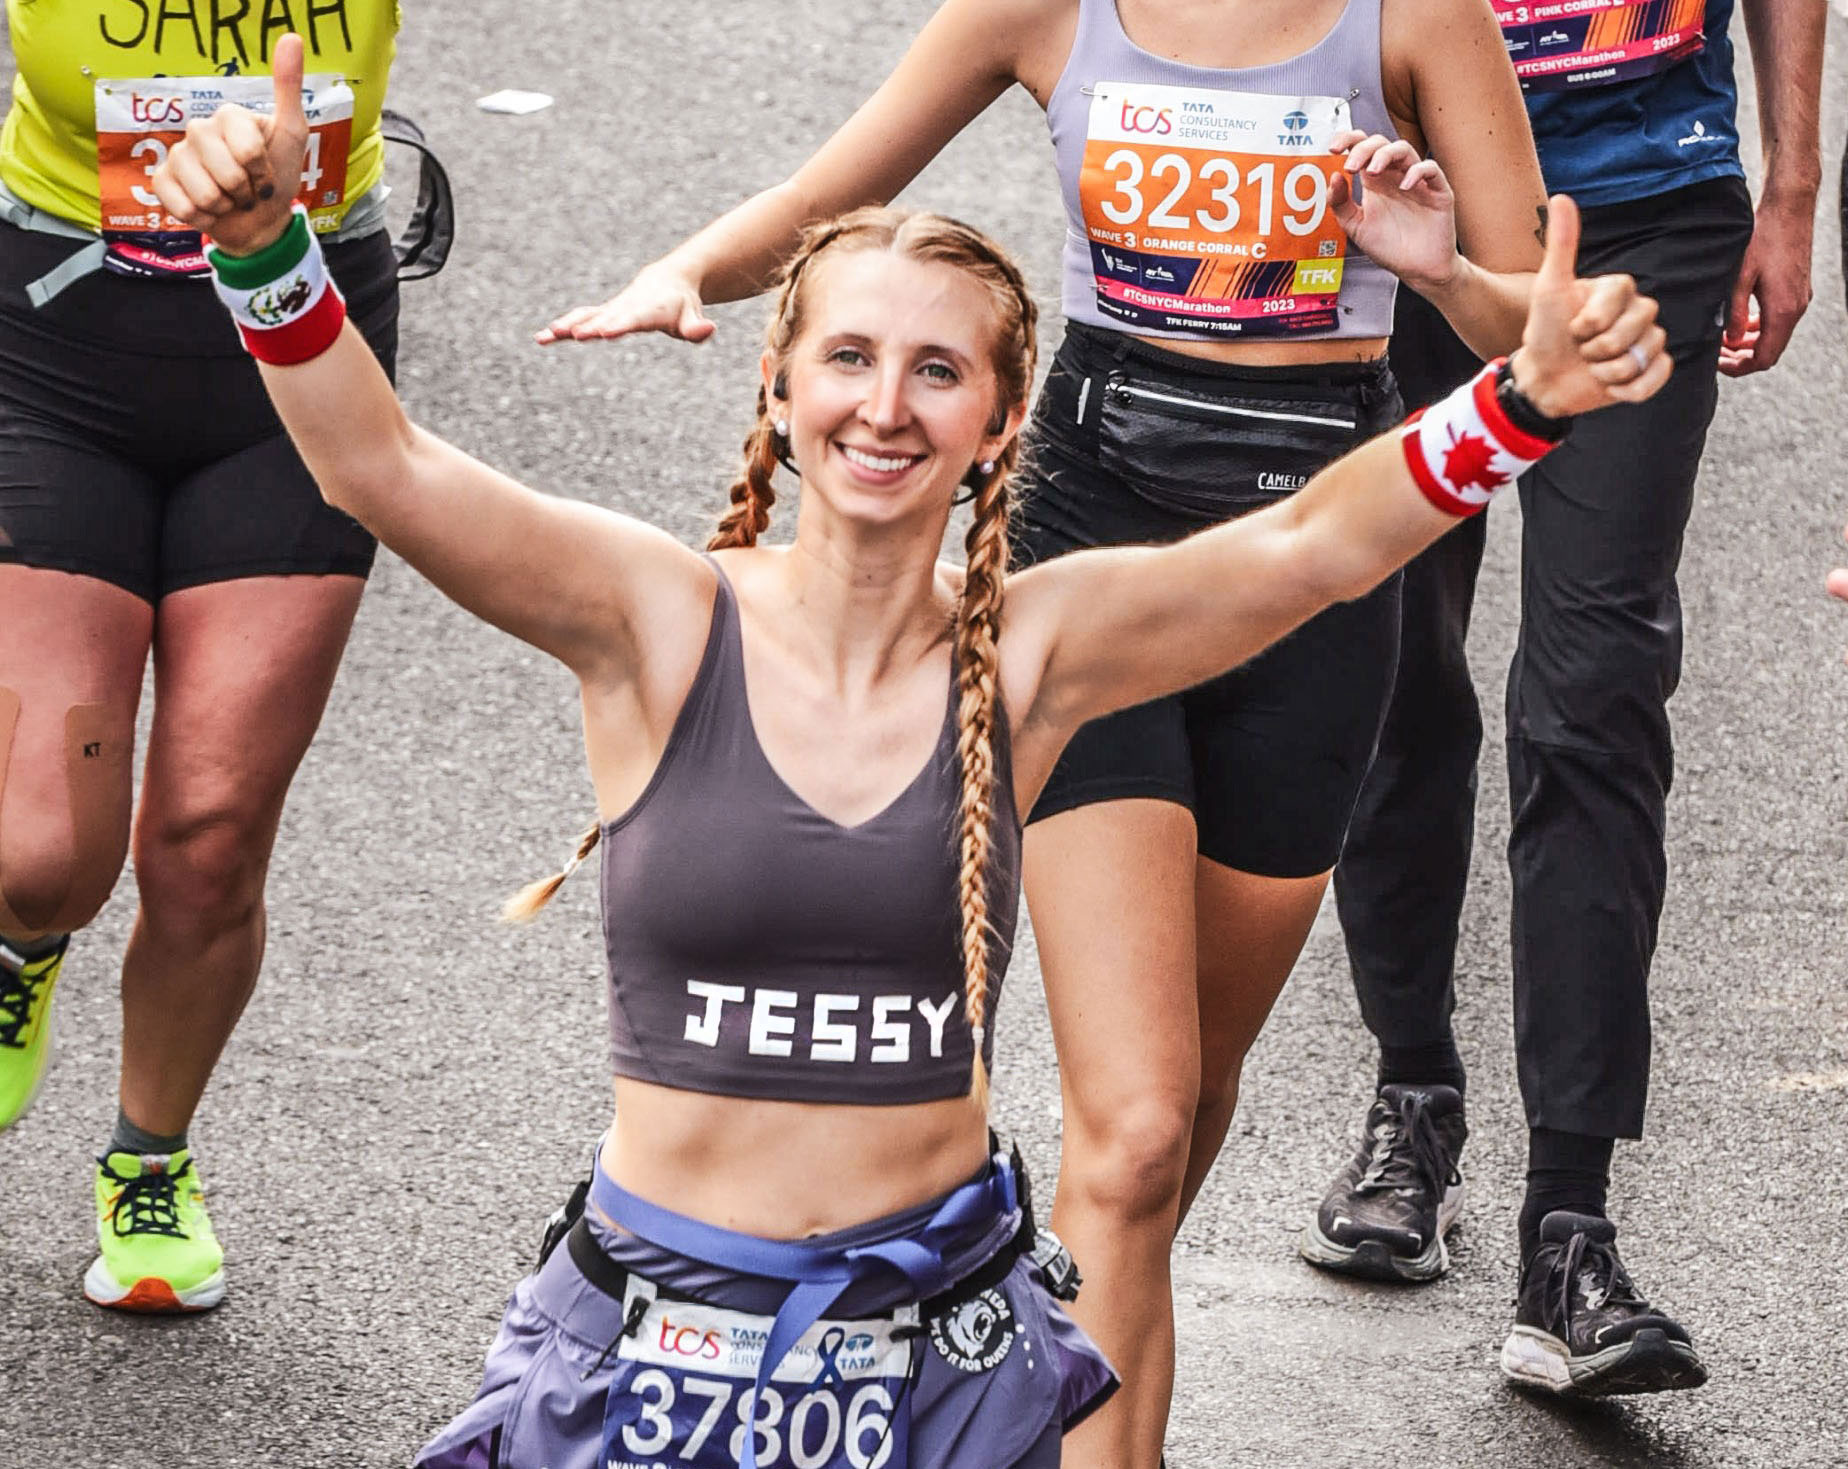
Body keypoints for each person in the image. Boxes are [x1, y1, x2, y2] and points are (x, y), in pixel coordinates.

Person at [154, 35, 1663, 1468]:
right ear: (782, 386)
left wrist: (1519, 400)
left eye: (937, 373)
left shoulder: (1037, 653)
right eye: (850, 360)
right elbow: (380, 463)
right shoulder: (656, 620)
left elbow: (1314, 548)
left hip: (934, 1372)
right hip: (643, 1355)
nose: (885, 406)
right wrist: (265, 249)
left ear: (1003, 424)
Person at [535, 1, 1551, 1458]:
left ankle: (1015, 1362)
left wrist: (1441, 270)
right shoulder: (1046, 9)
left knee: (1177, 1117)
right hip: (1088, 549)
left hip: (1314, 561)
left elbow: (1543, 331)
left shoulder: (1417, 18)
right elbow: (834, 199)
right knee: (1133, 1130)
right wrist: (688, 267)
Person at [1318, 0, 1823, 1400]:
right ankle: (1413, 1093)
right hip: (1400, 199)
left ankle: (1567, 1227)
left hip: (1649, 195)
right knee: (1398, 661)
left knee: (1592, 694)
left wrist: (1791, 181)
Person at [0, 0, 409, 1312]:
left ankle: (148, 1163)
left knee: (210, 833)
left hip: (298, 347)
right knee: (42, 854)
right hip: (53, 345)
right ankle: (22, 946)